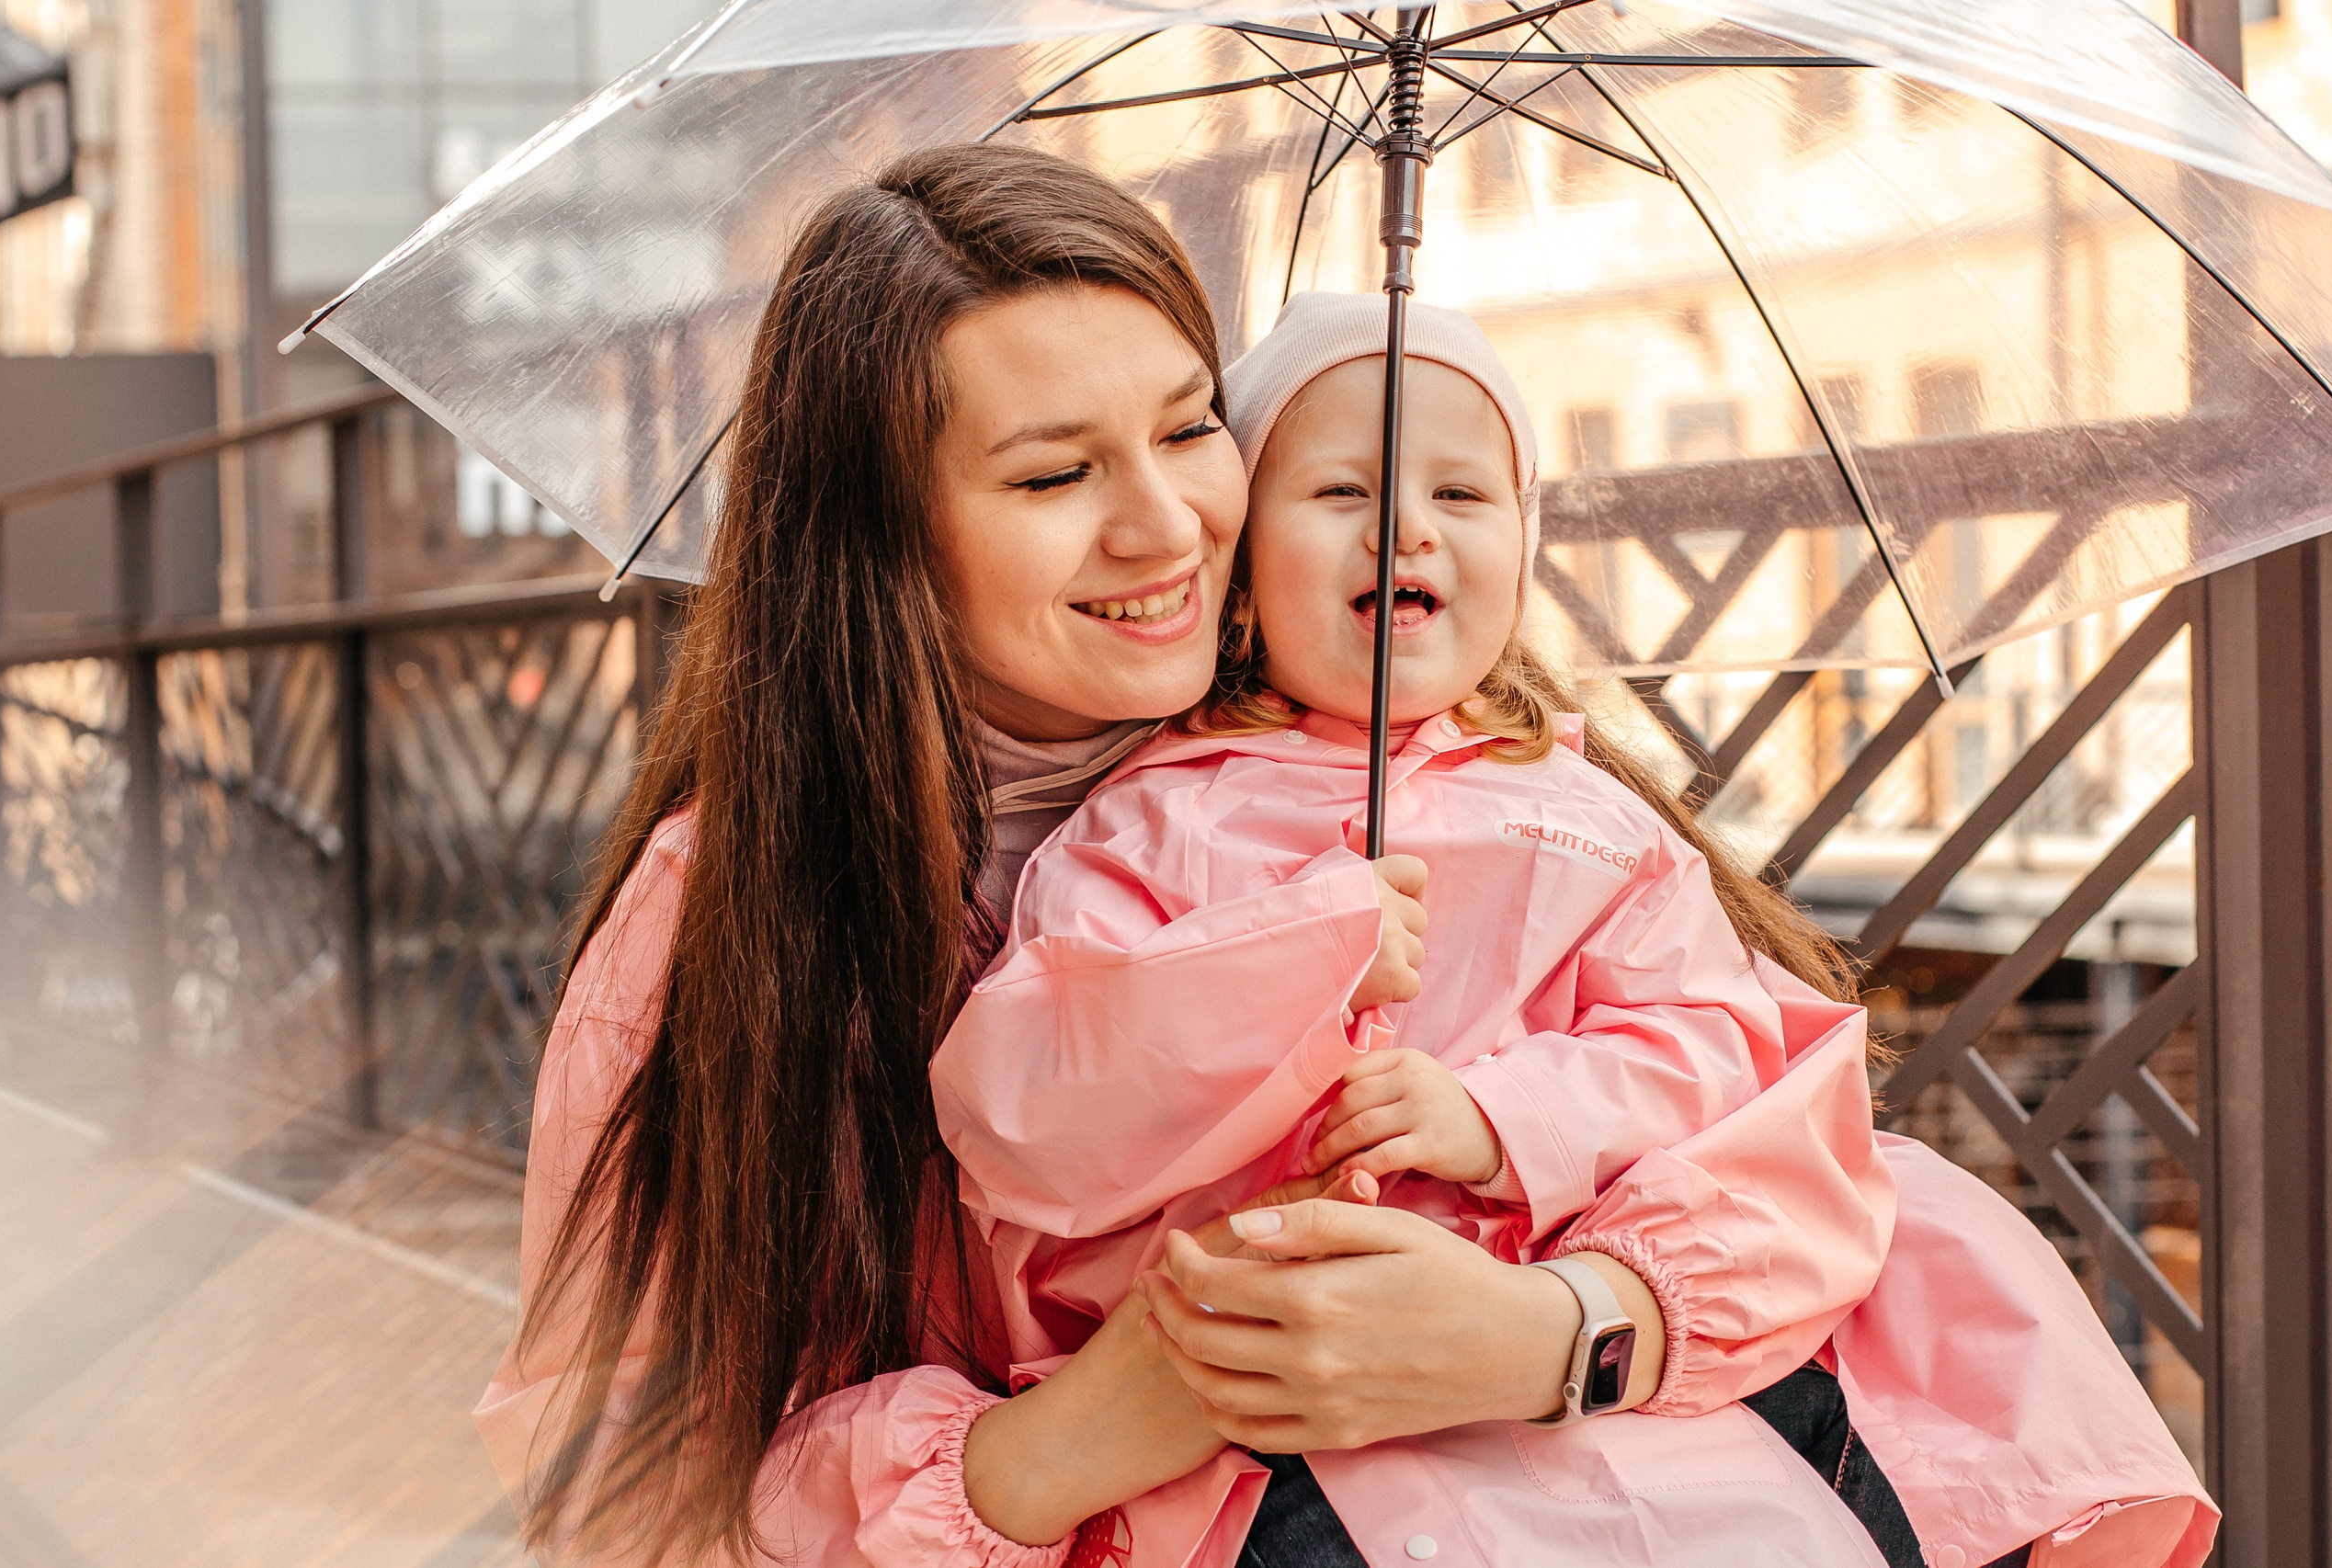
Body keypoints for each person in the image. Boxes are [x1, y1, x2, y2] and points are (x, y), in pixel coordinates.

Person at [473, 145, 2199, 1568]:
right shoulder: (741, 915)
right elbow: (632, 1503)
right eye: (1056, 471)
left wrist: (1551, 1329)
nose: (1165, 524)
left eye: (1187, 425)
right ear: (885, 540)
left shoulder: (1411, 755)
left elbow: (1767, 1111)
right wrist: (1081, 1433)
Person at [936, 292, 2214, 1568]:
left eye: (1463, 493)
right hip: (1276, 1433)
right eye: (1337, 494)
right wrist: (1302, 950)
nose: (1404, 526)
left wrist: (1498, 1120)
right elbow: (1037, 1098)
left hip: (1566, 1379)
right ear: (1243, 578)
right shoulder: (1145, 822)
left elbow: (1710, 1039)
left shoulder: (1587, 816)